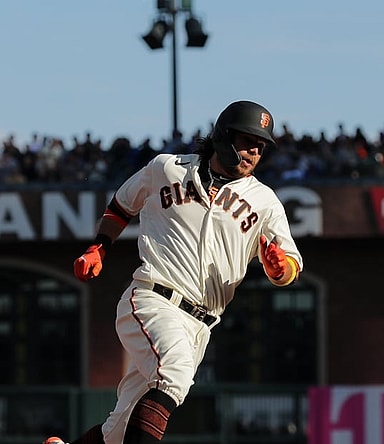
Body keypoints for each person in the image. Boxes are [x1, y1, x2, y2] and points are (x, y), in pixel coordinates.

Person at [47, 100, 303, 444]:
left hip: (201, 324)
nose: (255, 150)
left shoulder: (265, 200)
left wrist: (279, 268)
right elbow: (121, 206)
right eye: (248, 140)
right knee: (175, 376)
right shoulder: (166, 168)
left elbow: (291, 265)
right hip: (155, 297)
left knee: (119, 428)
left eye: (261, 145)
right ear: (224, 136)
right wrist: (99, 247)